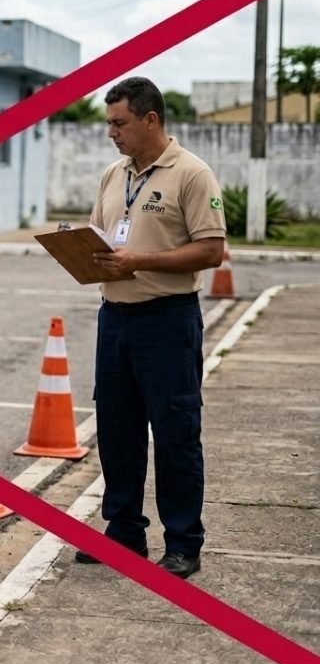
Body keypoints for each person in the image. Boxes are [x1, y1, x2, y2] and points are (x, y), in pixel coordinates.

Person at [79, 76, 226, 580]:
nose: (112, 133)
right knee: (117, 432)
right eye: (108, 124)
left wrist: (139, 259)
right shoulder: (114, 174)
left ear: (150, 120)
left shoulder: (191, 174)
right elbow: (103, 235)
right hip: (114, 319)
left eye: (119, 123)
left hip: (167, 321)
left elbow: (211, 250)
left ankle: (183, 542)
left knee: (175, 433)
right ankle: (124, 534)